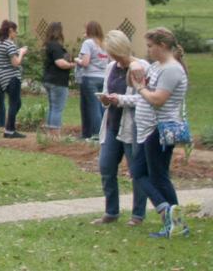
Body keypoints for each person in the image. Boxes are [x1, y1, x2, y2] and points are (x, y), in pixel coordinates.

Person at [106, 27, 190, 238]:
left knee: (158, 177)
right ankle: (169, 214)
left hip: (159, 129)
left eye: (151, 46)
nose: (148, 50)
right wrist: (133, 65)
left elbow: (157, 99)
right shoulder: (156, 66)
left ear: (162, 45)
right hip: (147, 130)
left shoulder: (171, 69)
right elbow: (133, 82)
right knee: (139, 172)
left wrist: (141, 88)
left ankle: (173, 219)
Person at [90, 29, 147, 227]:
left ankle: (138, 215)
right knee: (106, 167)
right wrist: (106, 99)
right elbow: (107, 91)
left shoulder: (141, 67)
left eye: (115, 53)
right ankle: (111, 212)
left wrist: (120, 99)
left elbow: (145, 98)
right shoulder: (111, 67)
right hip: (112, 125)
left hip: (131, 127)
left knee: (136, 171)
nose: (114, 58)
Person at [0, 19, 27, 138]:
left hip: (3, 78)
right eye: (15, 31)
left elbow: (5, 57)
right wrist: (22, 52)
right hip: (12, 77)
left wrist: (17, 51)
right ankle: (10, 130)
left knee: (16, 103)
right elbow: (15, 63)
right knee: (14, 104)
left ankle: (9, 128)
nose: (16, 34)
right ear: (10, 31)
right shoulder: (9, 44)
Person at [42, 21, 75, 138]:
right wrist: (72, 65)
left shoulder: (49, 45)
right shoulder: (55, 46)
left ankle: (50, 134)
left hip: (49, 79)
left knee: (52, 106)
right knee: (57, 108)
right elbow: (60, 63)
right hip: (57, 81)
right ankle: (55, 134)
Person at [78, 21, 109, 140]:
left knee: (92, 106)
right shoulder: (104, 44)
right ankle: (104, 132)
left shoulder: (88, 43)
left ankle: (96, 134)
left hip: (90, 77)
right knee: (101, 106)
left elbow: (85, 62)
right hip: (103, 78)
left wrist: (77, 60)